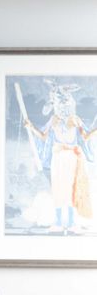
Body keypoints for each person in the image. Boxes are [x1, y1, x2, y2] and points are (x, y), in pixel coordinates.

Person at [25, 82, 94, 234]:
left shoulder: (75, 120)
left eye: (65, 103)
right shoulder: (54, 120)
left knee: (70, 189)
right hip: (57, 158)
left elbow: (87, 136)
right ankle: (57, 222)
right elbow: (43, 137)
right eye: (60, 103)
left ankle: (69, 223)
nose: (63, 108)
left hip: (72, 158)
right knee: (58, 188)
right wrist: (30, 127)